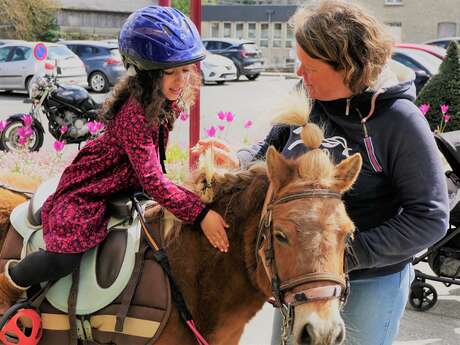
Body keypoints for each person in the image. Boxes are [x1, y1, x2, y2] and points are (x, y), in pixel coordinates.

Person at [193, 1, 449, 344]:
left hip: (369, 283)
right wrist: (236, 161)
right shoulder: (309, 97)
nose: (300, 73)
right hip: (298, 281)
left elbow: (430, 217)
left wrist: (339, 254)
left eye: (309, 65)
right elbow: (271, 146)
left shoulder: (399, 122)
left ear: (347, 67)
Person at [0, 6, 230, 312]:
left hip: (123, 183)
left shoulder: (164, 102)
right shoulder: (136, 113)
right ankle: (9, 283)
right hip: (91, 188)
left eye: (185, 70)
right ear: (147, 75)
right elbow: (152, 180)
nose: (180, 80)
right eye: (169, 72)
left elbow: (152, 165)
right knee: (65, 255)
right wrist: (200, 214)